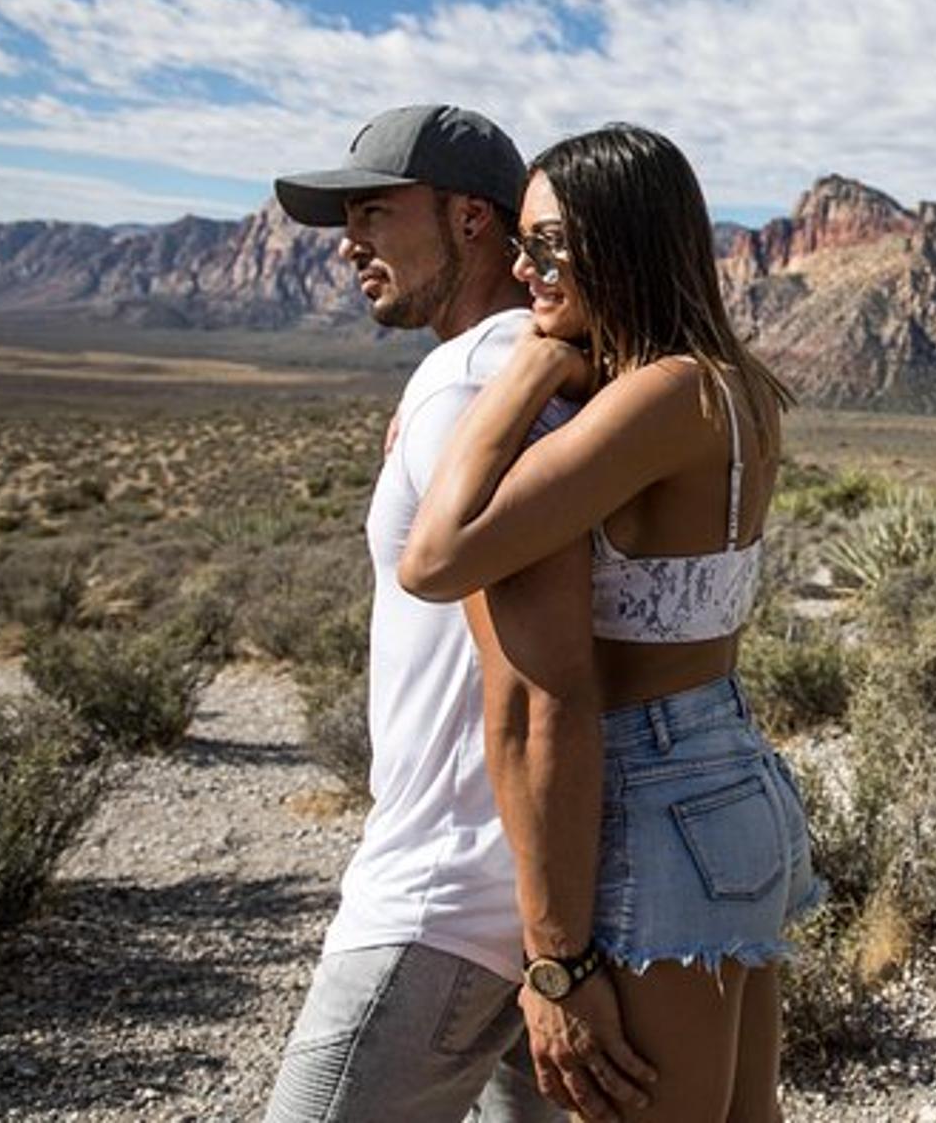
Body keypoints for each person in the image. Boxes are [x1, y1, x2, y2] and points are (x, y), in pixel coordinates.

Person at [397, 123, 822, 1123]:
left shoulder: (661, 396)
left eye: (547, 245)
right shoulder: (732, 384)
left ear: (618, 240)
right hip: (727, 772)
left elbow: (437, 556)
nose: (520, 267)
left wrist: (526, 374)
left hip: (655, 791)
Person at [263, 105, 652, 1123]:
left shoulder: (470, 385)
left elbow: (538, 681)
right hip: (534, 898)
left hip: (449, 906)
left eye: (374, 211)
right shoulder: (519, 373)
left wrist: (554, 959)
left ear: (472, 219)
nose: (350, 241)